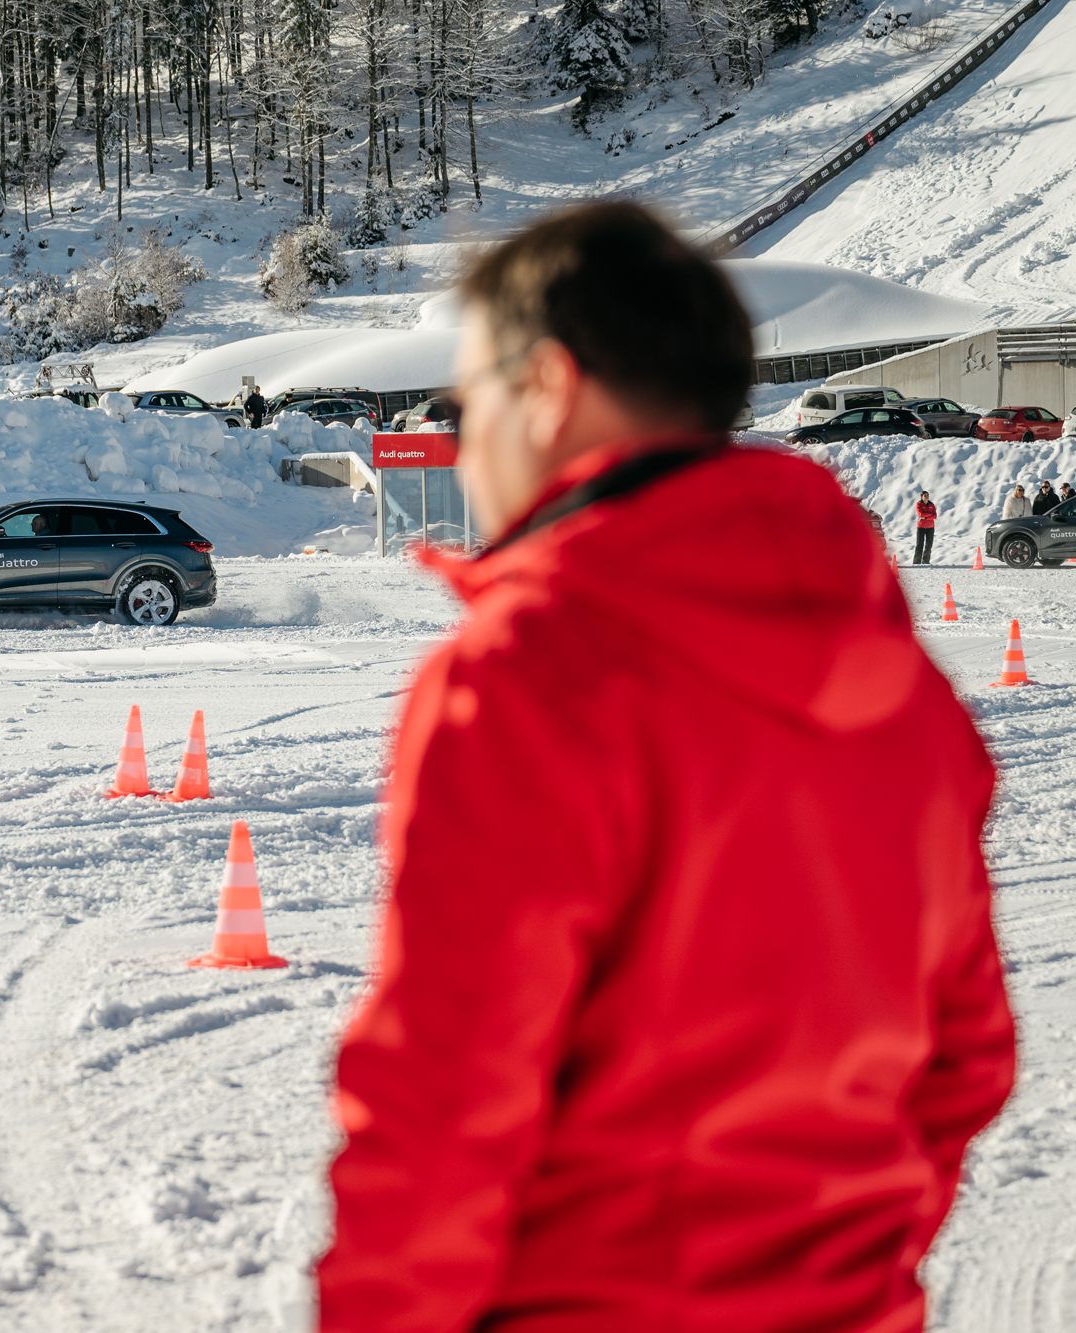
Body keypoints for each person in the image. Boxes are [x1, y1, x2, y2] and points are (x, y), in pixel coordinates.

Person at [318, 202, 1013, 1332]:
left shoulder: (530, 667)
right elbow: (964, 1053)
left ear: (544, 384)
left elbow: (445, 1089)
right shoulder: (904, 691)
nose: (457, 438)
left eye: (458, 403)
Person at [914, 489, 937, 563]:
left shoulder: (931, 504)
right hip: (921, 527)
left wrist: (926, 517)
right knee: (919, 544)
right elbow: (920, 514)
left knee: (929, 545)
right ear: (921, 497)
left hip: (930, 527)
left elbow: (935, 516)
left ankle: (926, 561)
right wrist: (930, 514)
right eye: (925, 495)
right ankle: (916, 562)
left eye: (927, 495)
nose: (927, 496)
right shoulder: (919, 504)